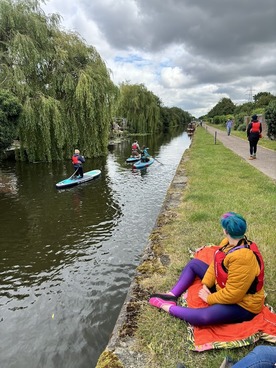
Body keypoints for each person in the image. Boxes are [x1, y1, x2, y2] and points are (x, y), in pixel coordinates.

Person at [149, 212, 265, 326]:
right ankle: (171, 295)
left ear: (225, 231)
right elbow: (216, 264)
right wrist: (206, 284)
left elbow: (234, 295)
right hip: (224, 286)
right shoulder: (227, 243)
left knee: (204, 317)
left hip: (243, 304)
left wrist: (209, 298)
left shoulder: (243, 258)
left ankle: (167, 307)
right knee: (194, 264)